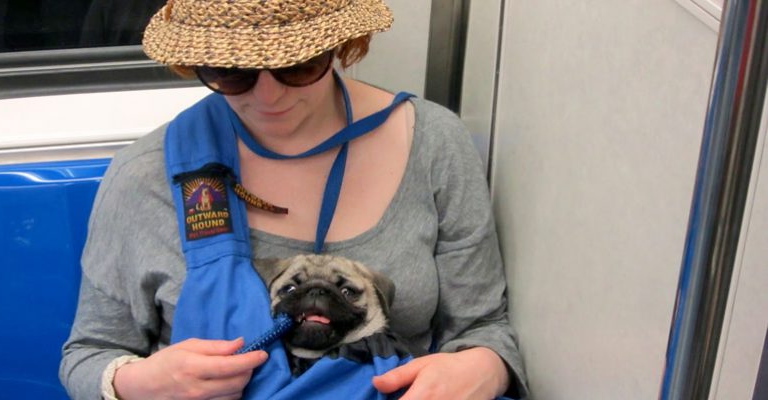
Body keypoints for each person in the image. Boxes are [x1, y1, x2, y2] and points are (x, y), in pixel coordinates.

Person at [59, 0, 529, 399]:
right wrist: (137, 382)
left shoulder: (433, 143)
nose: (268, 97)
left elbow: (483, 328)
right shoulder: (147, 177)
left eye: (297, 64)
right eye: (233, 72)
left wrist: (482, 370)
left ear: (339, 46)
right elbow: (87, 354)